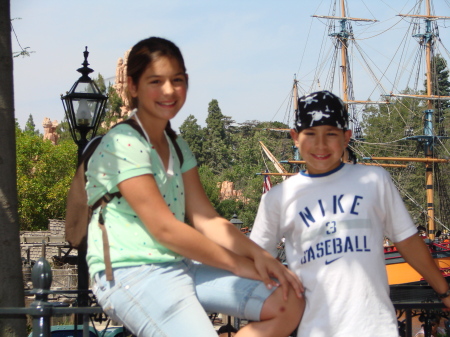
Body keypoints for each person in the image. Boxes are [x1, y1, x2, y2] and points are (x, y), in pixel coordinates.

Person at [85, 37, 304, 337]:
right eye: (155, 81)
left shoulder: (178, 147)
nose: (168, 90)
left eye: (176, 80)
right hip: (130, 273)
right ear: (133, 87)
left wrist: (259, 256)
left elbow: (207, 219)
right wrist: (238, 264)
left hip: (181, 267)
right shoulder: (123, 143)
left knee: (288, 301)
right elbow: (165, 228)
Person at [249, 90, 450, 337]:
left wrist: (445, 292)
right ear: (295, 137)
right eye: (310, 134)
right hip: (315, 329)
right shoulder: (278, 198)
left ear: (346, 137)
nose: (320, 145)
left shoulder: (374, 180)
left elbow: (407, 240)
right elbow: (255, 259)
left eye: (330, 134)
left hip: (377, 328)